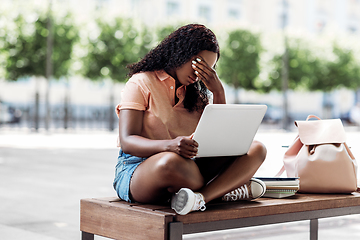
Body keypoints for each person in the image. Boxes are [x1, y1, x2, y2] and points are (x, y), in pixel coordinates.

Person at [113, 24, 267, 215]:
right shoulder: (141, 82)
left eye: (206, 69)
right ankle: (225, 188)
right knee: (172, 163)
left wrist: (218, 92)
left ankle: (199, 198)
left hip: (190, 168)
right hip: (140, 169)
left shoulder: (197, 96)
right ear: (181, 53)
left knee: (257, 149)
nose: (198, 74)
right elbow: (128, 141)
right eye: (197, 64)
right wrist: (170, 145)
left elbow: (220, 140)